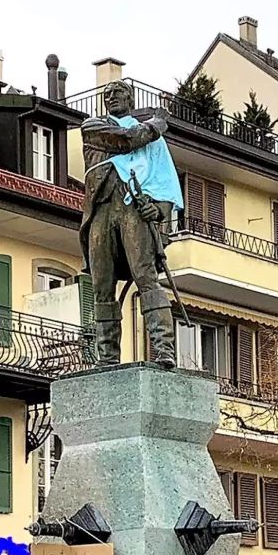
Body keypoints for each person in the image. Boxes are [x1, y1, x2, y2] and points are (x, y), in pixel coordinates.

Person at [80, 80, 184, 367]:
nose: (111, 97)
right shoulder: (94, 127)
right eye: (107, 94)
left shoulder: (156, 145)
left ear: (131, 98)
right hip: (101, 210)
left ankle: (164, 349)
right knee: (102, 286)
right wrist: (158, 123)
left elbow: (165, 180)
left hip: (134, 210)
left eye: (118, 93)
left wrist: (158, 210)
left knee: (147, 278)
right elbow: (126, 139)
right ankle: (107, 358)